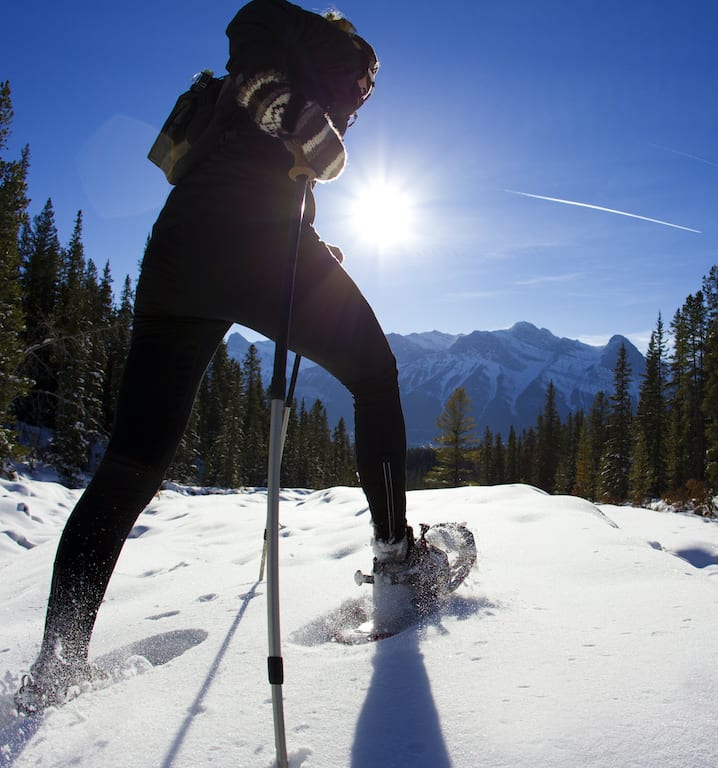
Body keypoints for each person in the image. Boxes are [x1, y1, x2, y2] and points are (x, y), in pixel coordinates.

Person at [15, 0, 447, 716]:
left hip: (178, 253)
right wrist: (305, 126)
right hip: (252, 248)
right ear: (349, 62)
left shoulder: (258, 88)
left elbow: (254, 161)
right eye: (362, 88)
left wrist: (309, 234)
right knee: (376, 376)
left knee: (131, 463)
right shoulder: (299, 40)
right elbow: (255, 24)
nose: (360, 103)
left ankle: (58, 661)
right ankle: (399, 562)